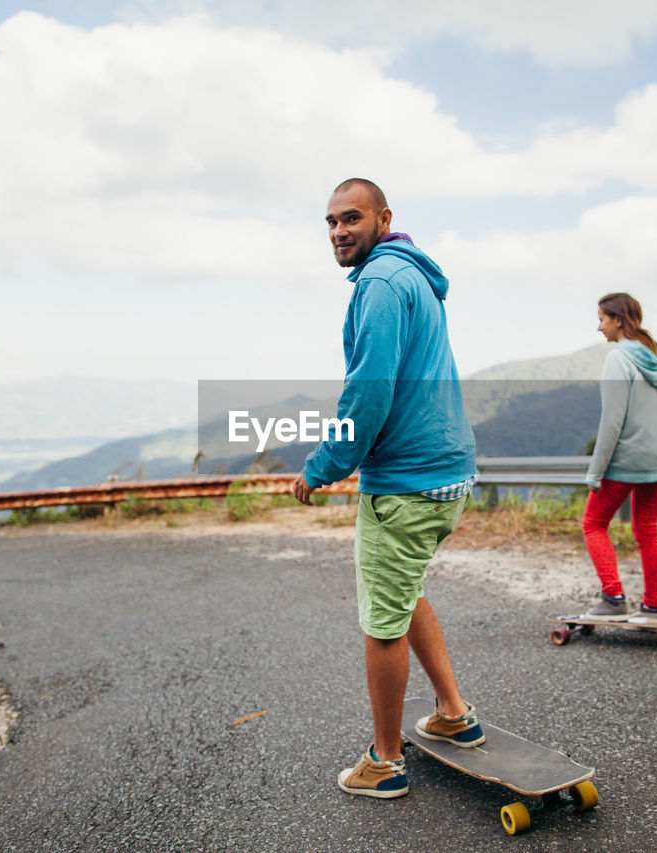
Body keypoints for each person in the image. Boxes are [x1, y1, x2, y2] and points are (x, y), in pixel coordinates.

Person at [290, 178, 484, 799]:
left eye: (351, 218)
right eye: (330, 222)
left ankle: (386, 761)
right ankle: (453, 713)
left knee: (381, 622)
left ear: (382, 218)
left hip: (405, 481)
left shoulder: (378, 283)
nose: (339, 232)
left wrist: (322, 465)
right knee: (403, 592)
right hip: (448, 472)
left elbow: (369, 391)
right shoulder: (416, 278)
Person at [582, 292, 657, 623]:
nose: (599, 327)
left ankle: (613, 596)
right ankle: (652, 605)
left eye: (602, 319)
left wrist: (595, 471)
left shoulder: (619, 359)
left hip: (627, 458)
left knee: (593, 523)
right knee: (647, 529)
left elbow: (612, 421)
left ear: (618, 320)